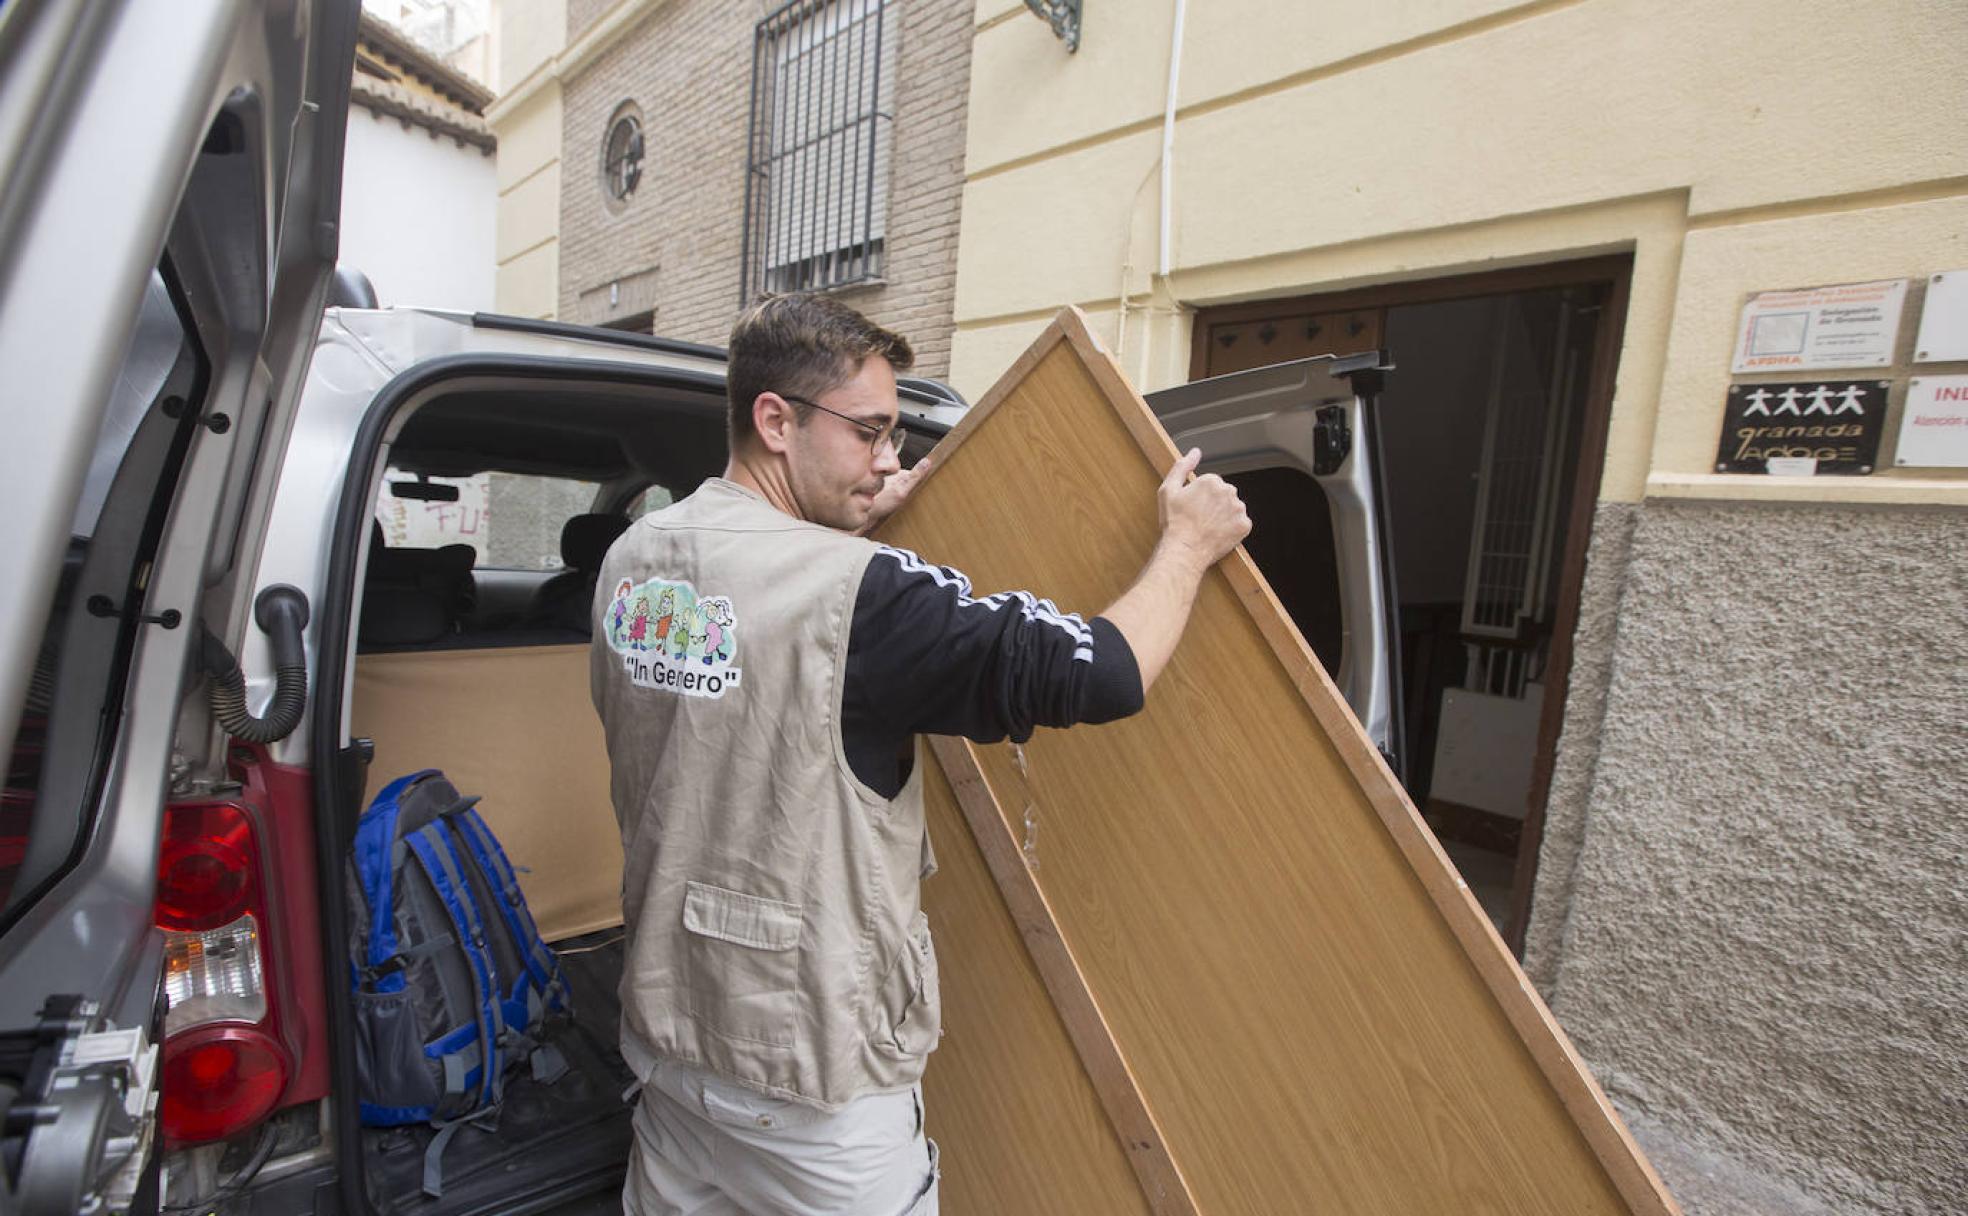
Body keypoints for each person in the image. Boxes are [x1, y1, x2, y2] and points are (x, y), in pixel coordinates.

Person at [590, 293, 1250, 1216]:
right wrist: (1187, 545)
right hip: (810, 1086)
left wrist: (845, 513)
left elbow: (746, 656)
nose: (889, 460)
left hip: (668, 1045)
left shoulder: (634, 560)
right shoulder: (863, 595)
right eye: (870, 433)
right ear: (777, 421)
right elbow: (1101, 674)